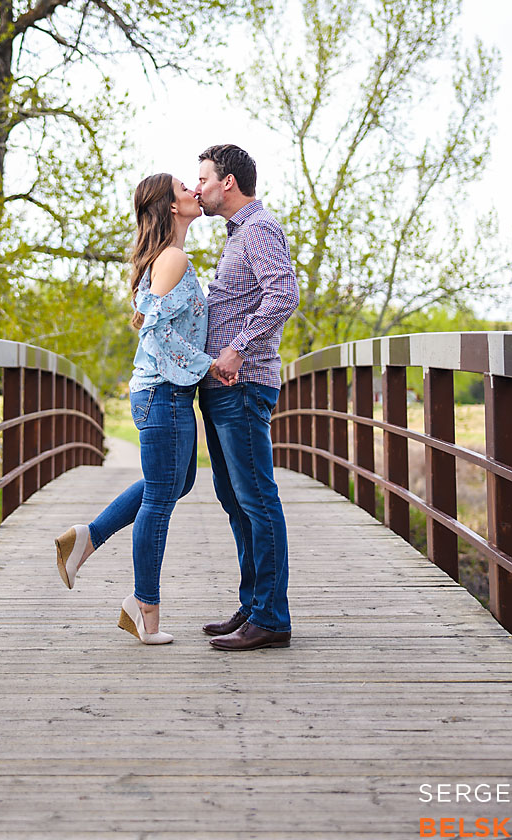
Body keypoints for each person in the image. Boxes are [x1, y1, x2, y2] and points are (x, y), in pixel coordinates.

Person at [54, 173, 232, 645]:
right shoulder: (173, 257)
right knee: (160, 497)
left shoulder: (169, 257)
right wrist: (209, 365)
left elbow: (154, 319)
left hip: (164, 392)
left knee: (178, 482)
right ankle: (144, 608)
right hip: (164, 392)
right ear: (171, 207)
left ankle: (87, 538)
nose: (195, 191)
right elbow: (156, 333)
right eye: (184, 189)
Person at [194, 144, 299, 651]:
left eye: (204, 180)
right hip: (219, 390)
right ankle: (255, 603)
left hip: (245, 385)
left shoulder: (258, 229)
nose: (198, 189)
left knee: (257, 500)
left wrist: (236, 348)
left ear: (228, 182)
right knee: (235, 500)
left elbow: (284, 293)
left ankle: (273, 618)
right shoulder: (237, 235)